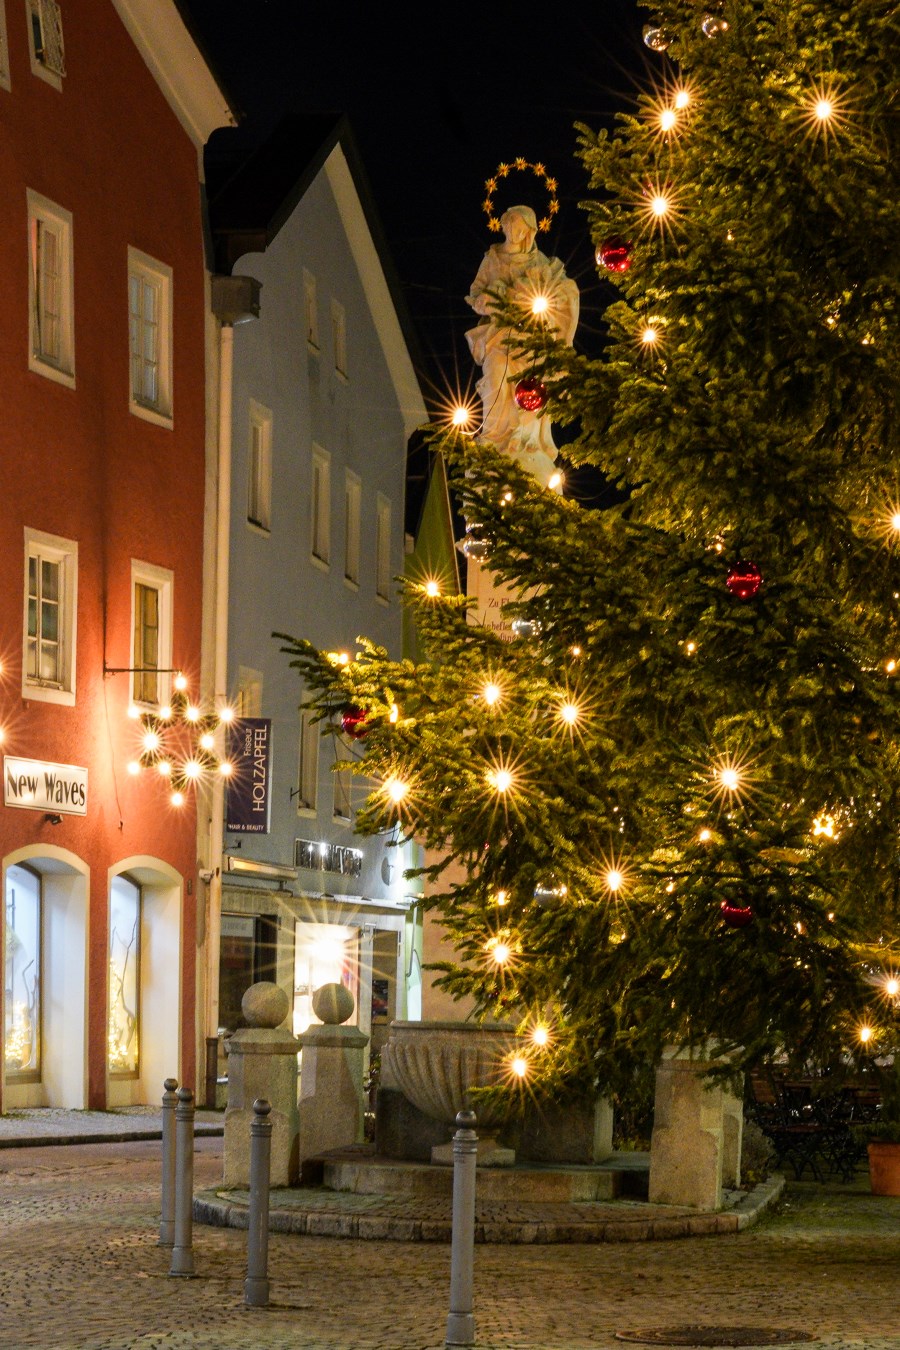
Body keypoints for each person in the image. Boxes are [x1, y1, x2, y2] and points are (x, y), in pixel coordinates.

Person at [466, 205, 579, 487]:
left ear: (528, 230)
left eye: (517, 225)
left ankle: (526, 438)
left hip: (531, 337)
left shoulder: (541, 263)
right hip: (500, 336)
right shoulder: (492, 258)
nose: (511, 230)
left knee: (533, 383)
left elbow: (564, 291)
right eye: (507, 224)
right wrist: (487, 300)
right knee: (495, 375)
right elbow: (476, 292)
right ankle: (494, 438)